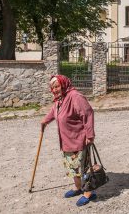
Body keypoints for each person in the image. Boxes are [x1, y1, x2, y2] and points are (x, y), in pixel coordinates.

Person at [41, 75, 96, 207]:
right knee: (72, 167)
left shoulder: (75, 96)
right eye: (52, 87)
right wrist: (45, 121)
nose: (55, 90)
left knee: (83, 168)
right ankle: (78, 188)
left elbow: (87, 114)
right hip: (66, 141)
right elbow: (54, 111)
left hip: (79, 140)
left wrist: (90, 135)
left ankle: (88, 193)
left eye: (57, 86)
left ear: (64, 84)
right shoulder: (60, 99)